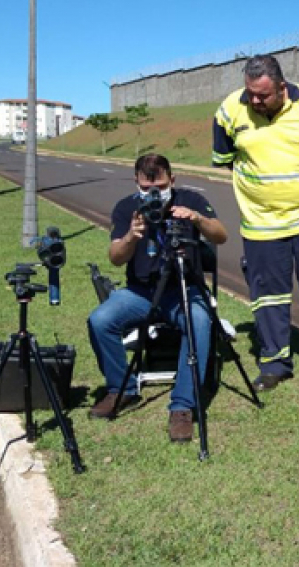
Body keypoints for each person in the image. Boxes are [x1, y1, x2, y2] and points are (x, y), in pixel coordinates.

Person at [211, 54, 299, 391]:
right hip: (262, 225)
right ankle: (274, 363)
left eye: (262, 95)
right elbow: (227, 160)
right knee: (269, 297)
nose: (254, 101)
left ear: (282, 87)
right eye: (250, 94)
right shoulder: (229, 112)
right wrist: (264, 191)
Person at [87, 154, 228, 443]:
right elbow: (115, 258)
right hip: (141, 291)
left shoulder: (190, 199)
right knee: (100, 320)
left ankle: (183, 406)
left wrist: (198, 219)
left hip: (183, 289)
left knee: (199, 323)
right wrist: (131, 236)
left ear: (172, 180)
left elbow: (221, 236)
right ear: (136, 183)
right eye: (146, 185)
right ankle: (121, 390)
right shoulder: (127, 207)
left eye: (160, 185)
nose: (154, 192)